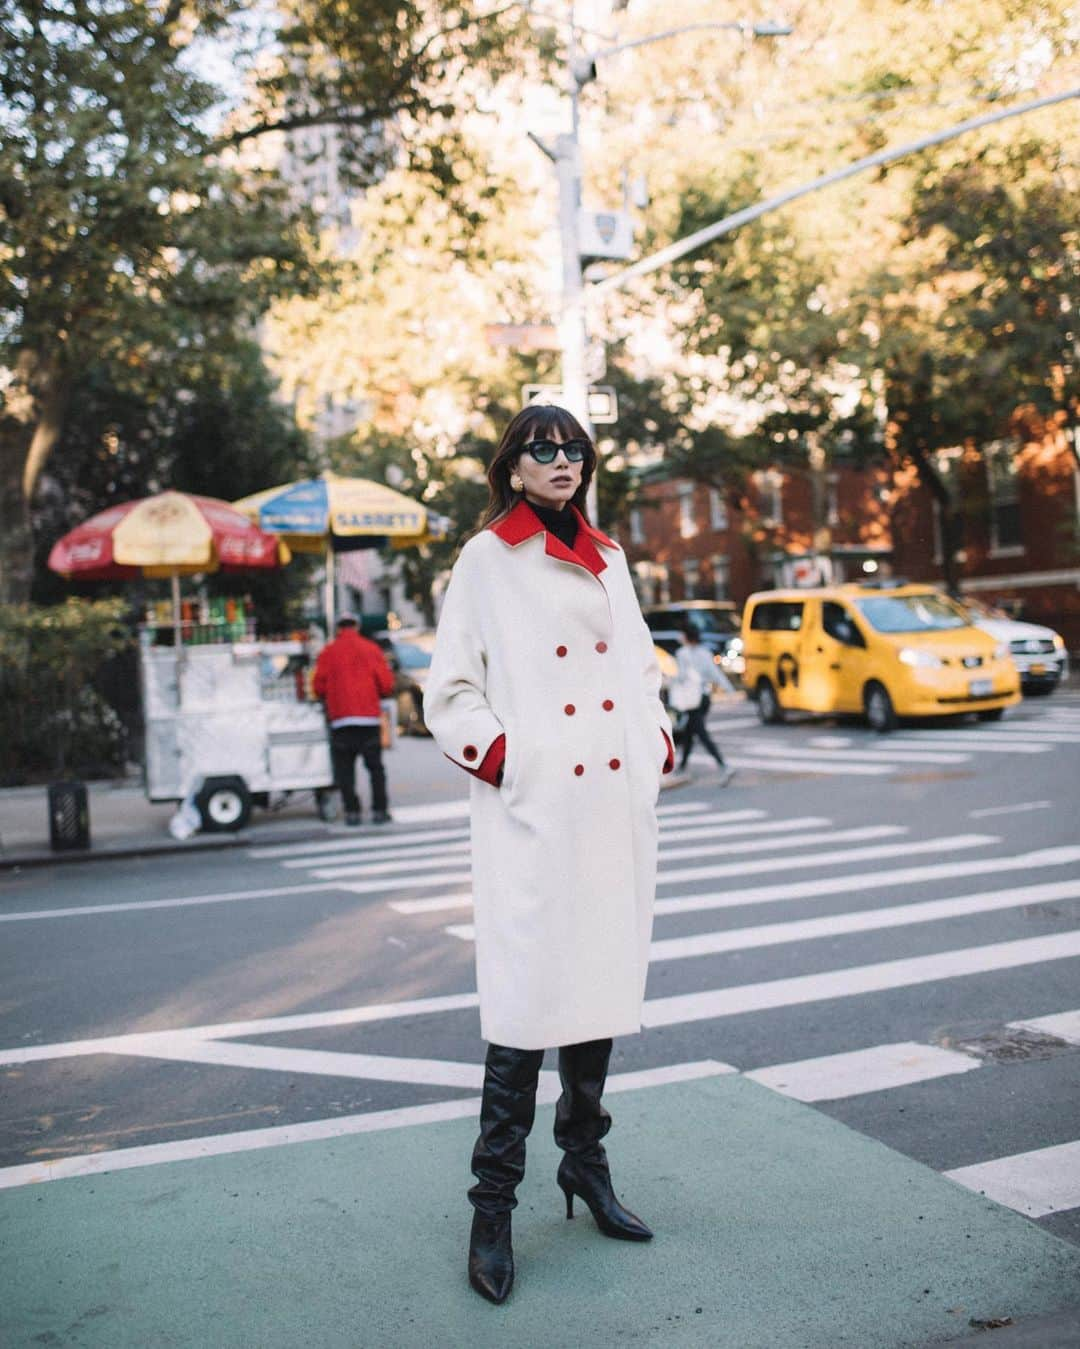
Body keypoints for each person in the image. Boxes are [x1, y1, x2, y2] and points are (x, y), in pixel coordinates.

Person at [423, 405, 675, 1305]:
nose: (562, 459)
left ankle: (585, 1164)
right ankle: (492, 1209)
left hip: (607, 807)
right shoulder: (487, 559)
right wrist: (509, 762)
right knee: (524, 1011)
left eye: (574, 448)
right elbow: (449, 690)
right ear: (513, 466)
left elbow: (642, 670)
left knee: (596, 990)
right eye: (544, 448)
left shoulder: (609, 556)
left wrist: (656, 746)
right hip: (535, 812)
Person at [312, 613, 395, 825]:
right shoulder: (371, 649)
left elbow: (318, 686)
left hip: (341, 721)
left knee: (345, 771)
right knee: (375, 768)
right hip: (368, 719)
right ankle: (379, 810)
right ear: (356, 626)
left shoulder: (328, 652)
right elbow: (386, 684)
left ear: (339, 628)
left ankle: (352, 812)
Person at [675, 623, 735, 784]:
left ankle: (724, 765)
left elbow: (681, 677)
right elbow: (715, 673)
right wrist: (729, 689)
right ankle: (682, 765)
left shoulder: (682, 653)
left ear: (687, 637)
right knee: (690, 731)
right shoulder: (705, 652)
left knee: (700, 732)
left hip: (691, 698)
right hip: (704, 698)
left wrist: (671, 682)